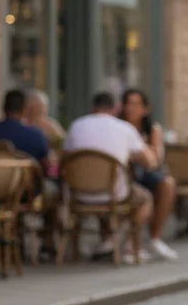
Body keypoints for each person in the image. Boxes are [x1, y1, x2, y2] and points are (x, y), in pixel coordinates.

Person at [62, 92, 157, 262]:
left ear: (92, 108)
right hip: (113, 195)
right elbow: (151, 162)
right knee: (145, 198)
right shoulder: (125, 128)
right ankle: (129, 246)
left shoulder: (76, 126)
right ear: (115, 109)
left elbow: (64, 157)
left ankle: (106, 242)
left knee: (110, 188)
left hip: (77, 196)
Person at [118, 89, 179, 260]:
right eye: (128, 104)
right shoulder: (119, 126)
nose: (131, 108)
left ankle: (154, 238)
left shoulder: (152, 129)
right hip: (122, 175)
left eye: (136, 104)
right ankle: (127, 244)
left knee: (168, 184)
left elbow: (155, 159)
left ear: (145, 109)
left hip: (145, 174)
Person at [0, 89, 49, 164]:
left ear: (4, 108)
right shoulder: (37, 136)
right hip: (25, 175)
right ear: (24, 110)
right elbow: (45, 164)